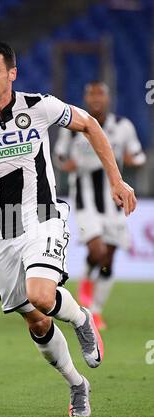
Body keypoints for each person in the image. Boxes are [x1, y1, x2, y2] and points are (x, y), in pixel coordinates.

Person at [0, 42, 136, 417]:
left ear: (12, 73)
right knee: (35, 317)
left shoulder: (39, 106)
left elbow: (89, 124)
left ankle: (82, 319)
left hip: (41, 214)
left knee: (42, 294)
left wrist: (117, 180)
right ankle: (77, 384)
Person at [54, 81, 146, 330]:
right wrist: (65, 164)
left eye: (100, 94)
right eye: (91, 94)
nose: (95, 99)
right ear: (86, 98)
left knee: (109, 258)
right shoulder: (74, 126)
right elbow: (60, 155)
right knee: (97, 250)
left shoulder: (123, 126)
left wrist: (131, 159)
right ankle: (85, 282)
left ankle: (95, 311)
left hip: (114, 201)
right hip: (85, 201)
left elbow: (138, 155)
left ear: (108, 98)